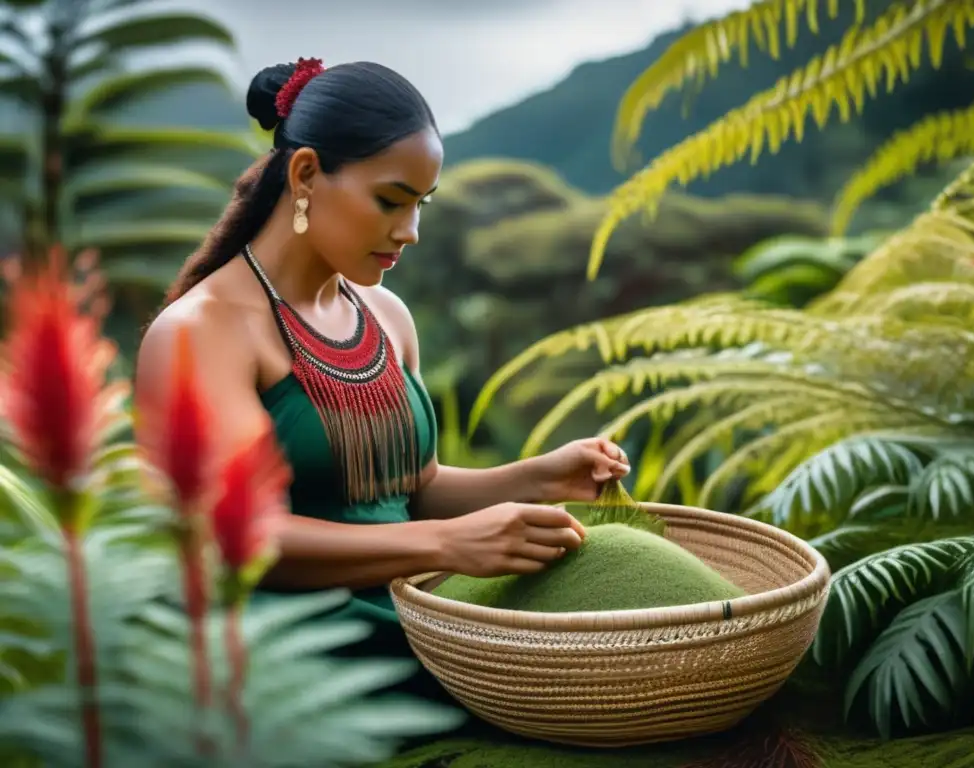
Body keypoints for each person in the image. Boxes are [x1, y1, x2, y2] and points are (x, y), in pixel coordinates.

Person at [134, 58, 631, 713]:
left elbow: (413, 492)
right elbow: (240, 537)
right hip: (287, 659)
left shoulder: (385, 315)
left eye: (420, 206)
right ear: (306, 173)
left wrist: (538, 477)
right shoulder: (204, 331)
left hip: (416, 623)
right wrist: (447, 545)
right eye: (390, 201)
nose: (409, 232)